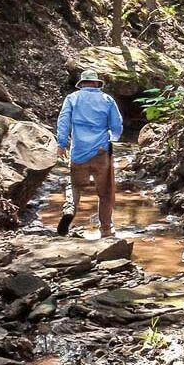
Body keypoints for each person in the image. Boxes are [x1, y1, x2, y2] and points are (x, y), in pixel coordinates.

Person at [55, 69, 123, 238]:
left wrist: (62, 143)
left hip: (78, 151)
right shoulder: (107, 100)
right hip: (101, 151)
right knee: (105, 192)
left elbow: (63, 121)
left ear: (82, 84)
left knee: (75, 186)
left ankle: (69, 209)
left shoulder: (72, 99)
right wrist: (112, 139)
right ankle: (106, 229)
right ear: (96, 83)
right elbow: (117, 124)